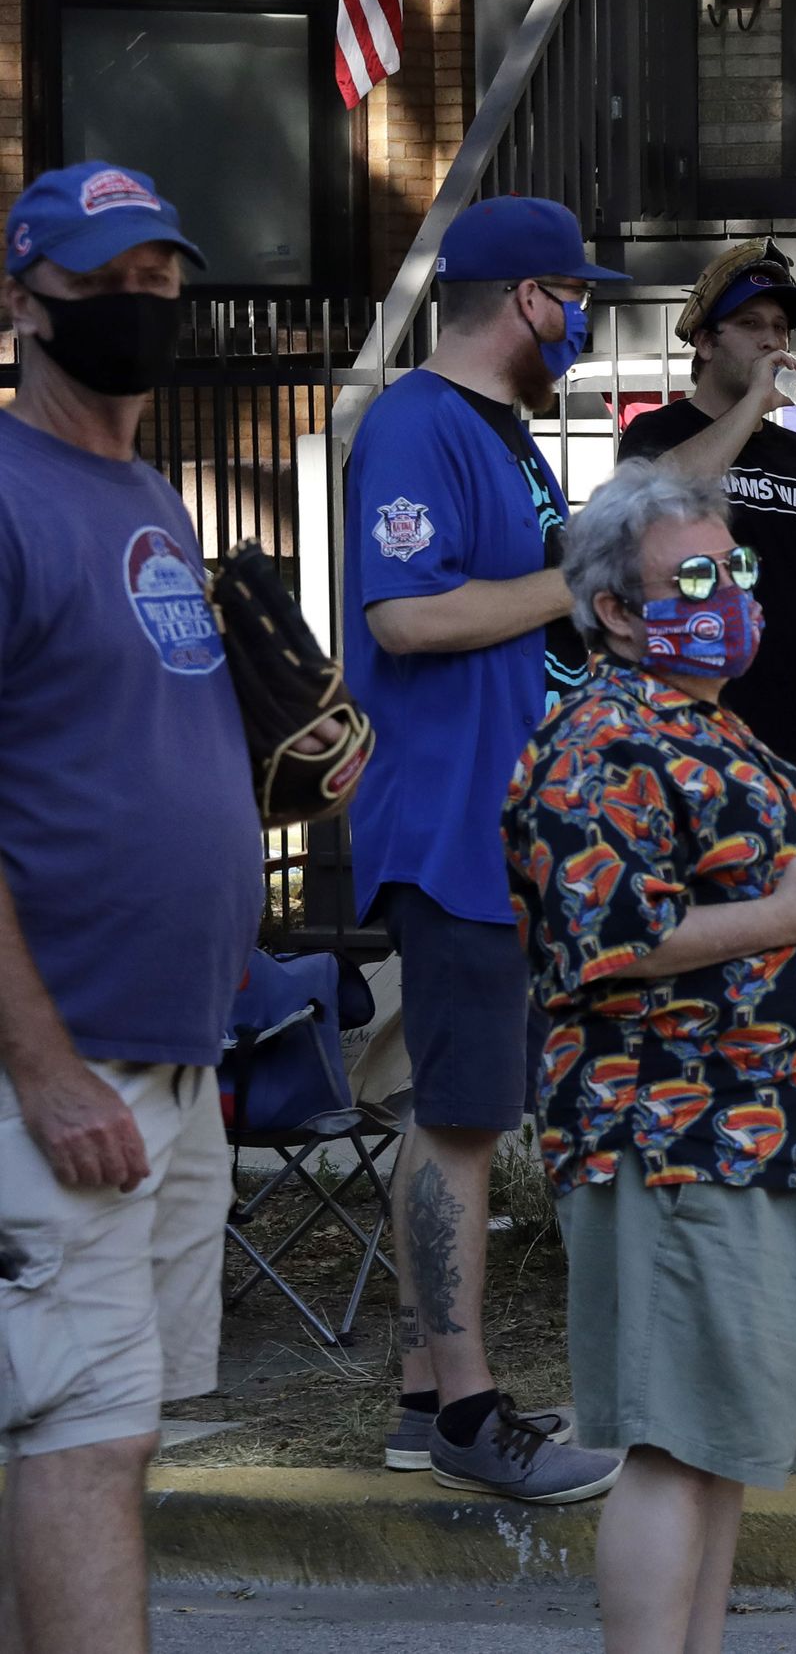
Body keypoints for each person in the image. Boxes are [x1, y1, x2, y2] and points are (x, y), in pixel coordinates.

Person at [505, 462, 796, 1654]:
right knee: (676, 1447)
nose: (727, 593)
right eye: (692, 576)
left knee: (722, 1446)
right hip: (680, 1142)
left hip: (761, 1136)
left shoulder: (702, 726)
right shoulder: (603, 744)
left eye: (733, 569)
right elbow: (601, 942)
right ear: (615, 609)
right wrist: (790, 917)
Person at [0, 161, 260, 1654]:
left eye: (159, 278)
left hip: (169, 1054)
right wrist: (40, 1064)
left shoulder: (145, 486)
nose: (137, 306)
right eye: (102, 282)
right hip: (68, 1066)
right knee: (87, 1435)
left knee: (75, 1431)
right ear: (22, 300)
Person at [343, 195, 627, 1501]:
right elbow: (403, 617)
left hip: (504, 827)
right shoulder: (414, 422)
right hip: (451, 827)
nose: (584, 318)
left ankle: (421, 1395)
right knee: (459, 1120)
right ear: (529, 297)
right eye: (576, 295)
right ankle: (468, 1415)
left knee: (460, 1112)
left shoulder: (499, 430)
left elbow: (526, 618)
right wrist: (571, 585)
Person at [620, 240, 796, 780]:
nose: (772, 339)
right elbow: (651, 506)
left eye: (780, 327)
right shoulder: (657, 431)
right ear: (704, 342)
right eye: (751, 324)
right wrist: (753, 402)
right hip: (689, 737)